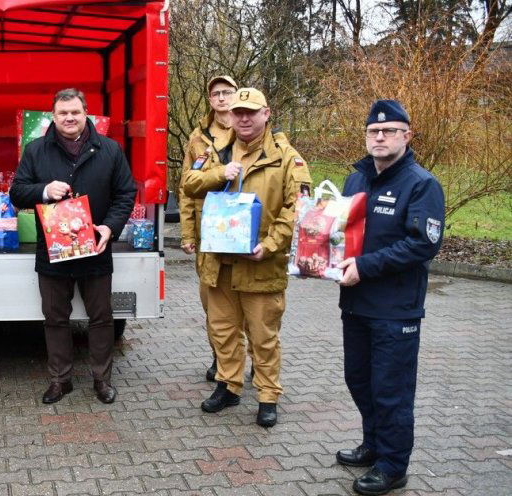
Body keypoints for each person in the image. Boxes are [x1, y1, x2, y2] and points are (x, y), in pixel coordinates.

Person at [179, 87, 311, 427]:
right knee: (222, 330)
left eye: (251, 112)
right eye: (238, 112)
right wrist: (218, 174)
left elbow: (296, 210)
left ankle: (267, 396)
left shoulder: (286, 158)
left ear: (266, 114)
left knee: (263, 335)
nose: (244, 118)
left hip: (260, 263)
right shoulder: (217, 151)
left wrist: (269, 244)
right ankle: (230, 385)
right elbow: (189, 183)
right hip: (219, 261)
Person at [334, 100, 444, 495]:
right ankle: (374, 445)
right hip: (356, 302)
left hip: (396, 308)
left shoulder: (421, 184)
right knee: (359, 379)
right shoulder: (356, 181)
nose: (379, 137)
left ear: (406, 136)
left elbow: (421, 245)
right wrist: (321, 257)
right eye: (373, 132)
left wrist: (365, 266)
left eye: (389, 131)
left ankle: (393, 465)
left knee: (391, 388)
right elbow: (341, 234)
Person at [10, 88, 136, 405]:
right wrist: (43, 190)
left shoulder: (109, 149)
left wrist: (110, 226)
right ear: (53, 116)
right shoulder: (36, 150)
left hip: (95, 247)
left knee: (102, 318)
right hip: (54, 252)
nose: (69, 118)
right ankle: (60, 380)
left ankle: (102, 380)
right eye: (63, 113)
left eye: (75, 112)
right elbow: (17, 192)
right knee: (55, 319)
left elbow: (125, 193)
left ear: (86, 114)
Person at [178, 75, 239, 383]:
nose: (222, 98)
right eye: (215, 93)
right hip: (211, 238)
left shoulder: (253, 130)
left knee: (250, 306)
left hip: (245, 236)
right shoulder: (198, 138)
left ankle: (251, 363)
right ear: (210, 99)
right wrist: (188, 233)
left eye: (227, 92)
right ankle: (220, 359)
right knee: (213, 305)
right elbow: (186, 189)